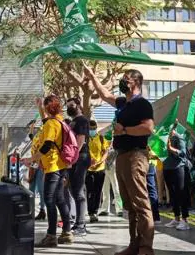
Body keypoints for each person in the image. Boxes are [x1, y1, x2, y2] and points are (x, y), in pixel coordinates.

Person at [85, 67, 155, 255]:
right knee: (129, 205)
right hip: (122, 156)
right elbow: (105, 94)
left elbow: (148, 128)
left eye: (126, 79)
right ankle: (134, 245)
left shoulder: (143, 104)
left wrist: (124, 131)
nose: (122, 82)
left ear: (136, 82)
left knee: (140, 204)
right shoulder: (123, 103)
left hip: (136, 156)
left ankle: (146, 249)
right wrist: (92, 76)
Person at [31, 95, 73, 247]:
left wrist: (32, 159)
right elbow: (45, 121)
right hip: (60, 166)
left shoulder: (51, 124)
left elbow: (47, 145)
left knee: (49, 200)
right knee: (60, 199)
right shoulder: (58, 121)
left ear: (49, 108)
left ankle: (51, 236)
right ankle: (67, 232)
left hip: (53, 167)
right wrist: (40, 106)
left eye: (46, 107)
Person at [65, 97, 91, 236]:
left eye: (72, 105)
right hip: (74, 160)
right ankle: (77, 223)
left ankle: (81, 225)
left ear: (79, 105)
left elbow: (80, 140)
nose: (70, 107)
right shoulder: (72, 122)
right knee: (73, 190)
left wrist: (73, 158)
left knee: (79, 192)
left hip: (81, 158)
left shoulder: (82, 121)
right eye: (68, 105)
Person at [163, 128, 191, 230]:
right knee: (172, 194)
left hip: (178, 168)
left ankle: (185, 220)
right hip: (167, 167)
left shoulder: (179, 137)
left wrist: (171, 148)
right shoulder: (163, 138)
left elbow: (183, 153)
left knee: (181, 193)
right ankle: (176, 218)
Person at [86, 120, 108, 223]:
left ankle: (95, 211)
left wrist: (101, 161)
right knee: (90, 191)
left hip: (100, 168)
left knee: (98, 191)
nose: (92, 130)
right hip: (89, 169)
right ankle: (90, 212)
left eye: (94, 128)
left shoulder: (101, 138)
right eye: (90, 129)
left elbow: (105, 152)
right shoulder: (85, 139)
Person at [146, 147, 161, 224]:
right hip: (150, 161)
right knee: (151, 189)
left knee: (150, 189)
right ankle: (155, 216)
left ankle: (155, 216)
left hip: (147, 161)